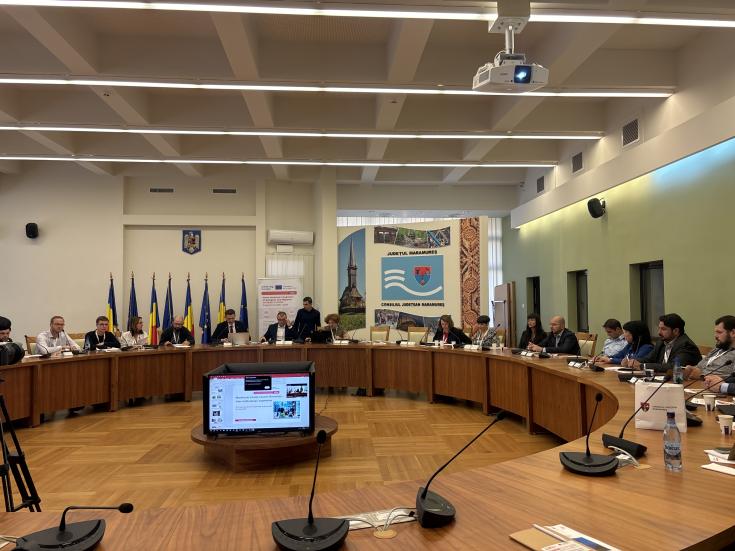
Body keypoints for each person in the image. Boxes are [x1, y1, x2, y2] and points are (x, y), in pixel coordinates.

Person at [631, 313, 701, 373]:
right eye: (659, 328)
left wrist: (643, 366)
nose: (659, 332)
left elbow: (674, 367)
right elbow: (648, 359)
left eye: (663, 329)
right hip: (663, 380)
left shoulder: (686, 346)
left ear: (676, 331)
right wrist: (634, 361)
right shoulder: (661, 342)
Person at [684, 315, 735, 382]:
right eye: (715, 332)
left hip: (718, 390)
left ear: (733, 333)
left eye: (719, 332)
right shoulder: (717, 349)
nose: (715, 336)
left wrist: (702, 376)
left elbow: (731, 379)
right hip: (698, 385)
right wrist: (691, 369)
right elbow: (699, 367)